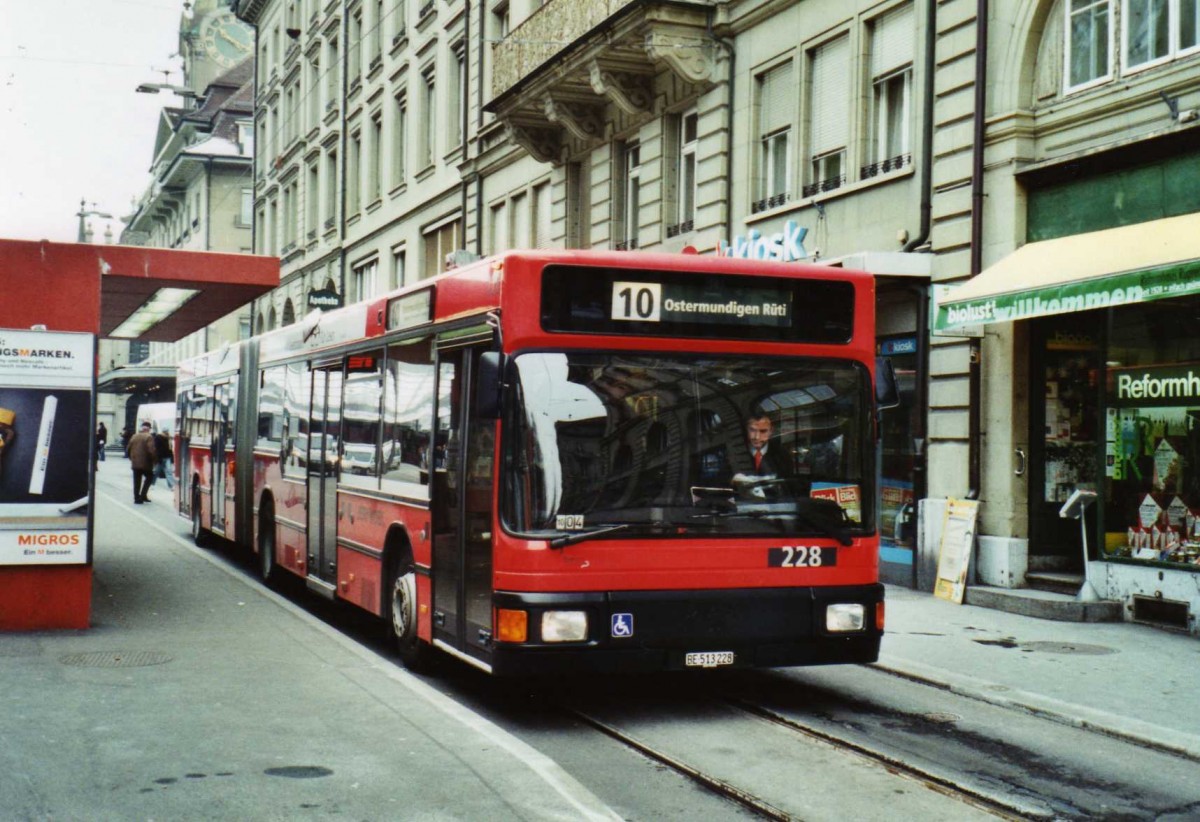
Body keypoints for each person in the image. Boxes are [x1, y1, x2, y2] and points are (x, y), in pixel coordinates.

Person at [127, 421, 157, 504]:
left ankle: (137, 498)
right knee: (150, 477)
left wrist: (132, 458)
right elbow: (151, 451)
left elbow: (128, 449)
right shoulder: (149, 437)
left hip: (135, 462)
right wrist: (154, 460)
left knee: (136, 480)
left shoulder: (134, 436)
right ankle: (143, 494)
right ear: (148, 429)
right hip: (146, 463)